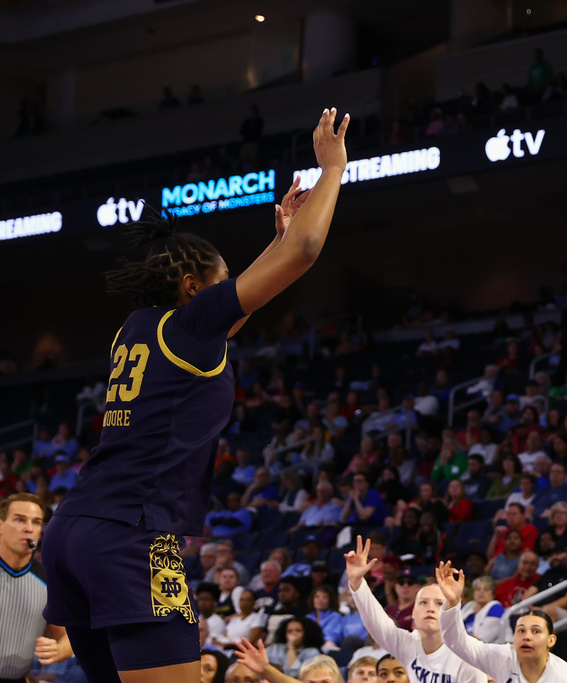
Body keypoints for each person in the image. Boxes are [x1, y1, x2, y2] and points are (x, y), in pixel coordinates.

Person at [42, 108, 350, 683]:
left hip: (73, 531)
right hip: (132, 534)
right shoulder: (188, 324)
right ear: (192, 289)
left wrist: (275, 244)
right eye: (224, 279)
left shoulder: (138, 326)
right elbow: (305, 255)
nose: (235, 290)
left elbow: (252, 296)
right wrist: (332, 169)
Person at [344, 536, 486, 683]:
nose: (430, 608)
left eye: (439, 603)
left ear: (451, 611)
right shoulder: (407, 644)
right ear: (413, 613)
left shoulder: (468, 656)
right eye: (423, 603)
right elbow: (375, 620)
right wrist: (357, 581)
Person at [435, 561, 567, 683]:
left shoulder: (565, 675)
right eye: (521, 630)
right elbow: (455, 641)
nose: (527, 636)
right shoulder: (501, 657)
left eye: (536, 631)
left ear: (551, 640)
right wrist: (453, 602)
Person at [0, 493, 73, 681]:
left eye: (36, 522)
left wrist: (58, 650)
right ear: (1, 525)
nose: (28, 529)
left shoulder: (49, 580)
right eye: (20, 520)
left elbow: (66, 637)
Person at [460, 576, 504, 643]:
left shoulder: (496, 608)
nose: (481, 592)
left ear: (492, 593)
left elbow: (483, 639)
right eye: (478, 589)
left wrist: (458, 638)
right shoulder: (468, 606)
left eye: (486, 589)